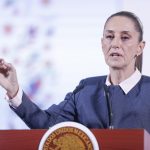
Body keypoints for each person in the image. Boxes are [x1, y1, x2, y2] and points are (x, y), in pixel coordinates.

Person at [0, 11, 149, 132]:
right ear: (102, 43)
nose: (115, 44)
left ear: (140, 47)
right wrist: (14, 91)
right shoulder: (85, 90)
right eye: (110, 37)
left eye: (125, 37)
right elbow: (49, 127)